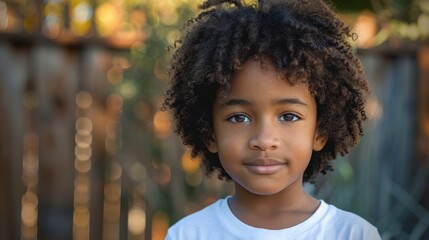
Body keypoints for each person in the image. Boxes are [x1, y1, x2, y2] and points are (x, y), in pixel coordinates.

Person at [163, 0, 381, 239]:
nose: (264, 140)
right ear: (210, 133)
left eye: (289, 116)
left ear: (320, 132)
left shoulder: (353, 234)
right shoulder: (188, 235)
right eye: (239, 118)